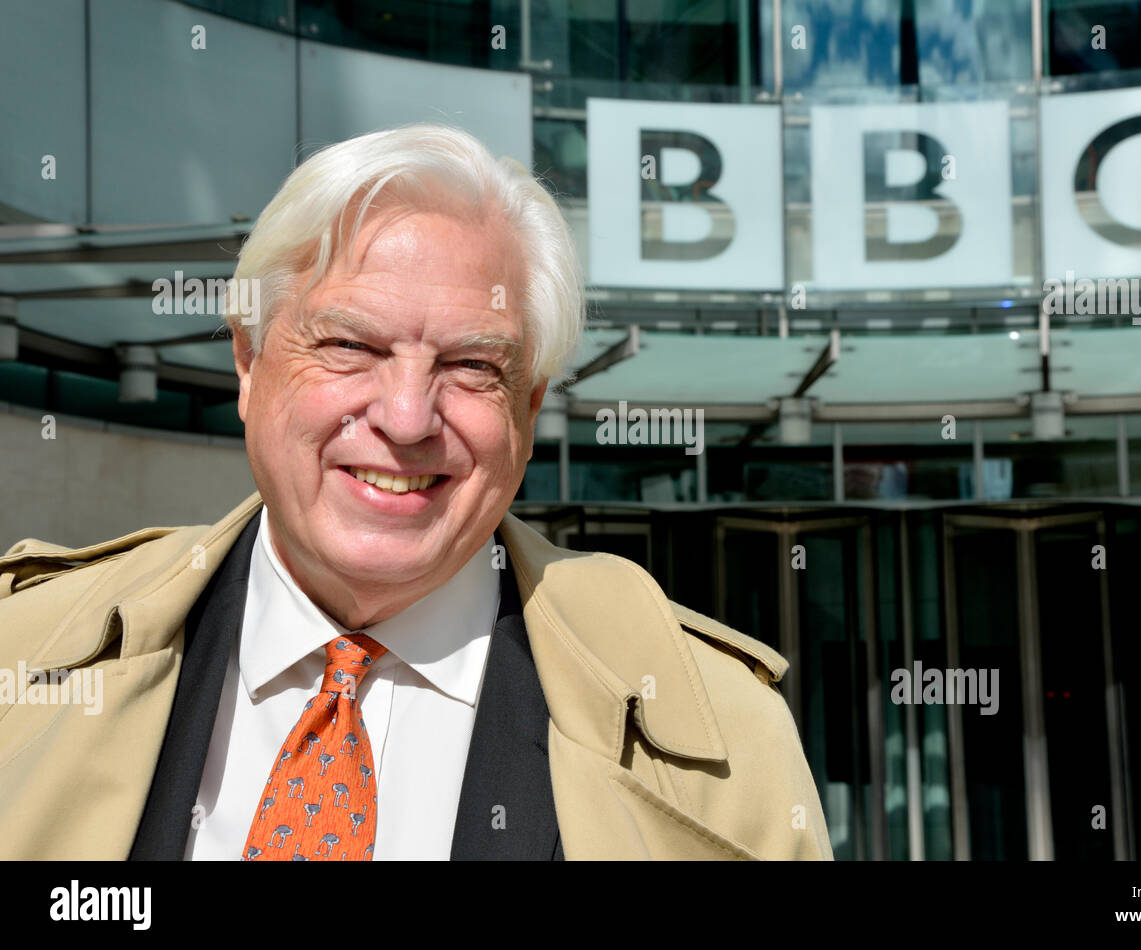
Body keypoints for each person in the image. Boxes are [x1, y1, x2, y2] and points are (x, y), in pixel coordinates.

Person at [0, 124, 832, 861]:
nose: (405, 419)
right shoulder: (21, 657)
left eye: (472, 365)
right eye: (350, 344)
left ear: (530, 406)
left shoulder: (726, 741)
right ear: (248, 362)